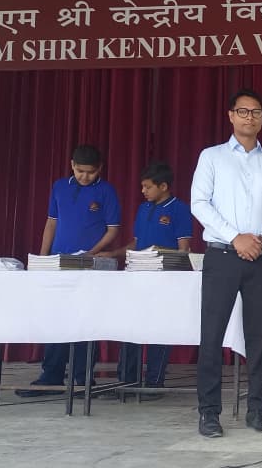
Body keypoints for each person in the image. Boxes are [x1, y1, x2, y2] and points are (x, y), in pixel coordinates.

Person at [191, 89, 262, 438]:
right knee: (212, 335)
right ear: (231, 115)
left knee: (259, 337)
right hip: (222, 255)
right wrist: (236, 237)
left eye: (256, 112)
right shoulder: (212, 157)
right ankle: (209, 413)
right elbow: (200, 203)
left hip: (261, 257)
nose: (250, 117)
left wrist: (261, 239)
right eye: (243, 111)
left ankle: (257, 411)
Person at [16, 145, 121, 397]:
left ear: (100, 169)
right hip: (58, 263)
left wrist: (91, 252)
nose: (85, 176)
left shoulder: (106, 191)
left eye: (91, 172)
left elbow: (113, 230)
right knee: (56, 320)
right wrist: (43, 258)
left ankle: (83, 379)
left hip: (89, 265)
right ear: (72, 165)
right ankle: (51, 376)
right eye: (80, 170)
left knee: (86, 320)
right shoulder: (60, 186)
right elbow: (51, 223)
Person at [95, 160, 192, 400]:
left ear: (163, 186)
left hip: (165, 279)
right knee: (131, 328)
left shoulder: (179, 209)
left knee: (160, 330)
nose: (143, 191)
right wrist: (113, 253)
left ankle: (154, 383)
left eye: (148, 187)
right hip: (136, 277)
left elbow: (184, 249)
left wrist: (161, 253)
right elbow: (137, 244)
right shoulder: (143, 209)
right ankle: (126, 381)